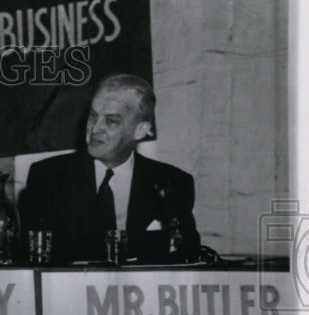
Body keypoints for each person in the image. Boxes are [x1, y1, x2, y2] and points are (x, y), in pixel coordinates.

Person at [20, 73, 200, 264]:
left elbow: (187, 256)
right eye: (93, 116)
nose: (95, 128)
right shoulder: (48, 177)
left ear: (140, 130)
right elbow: (35, 261)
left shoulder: (174, 182)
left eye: (111, 121)